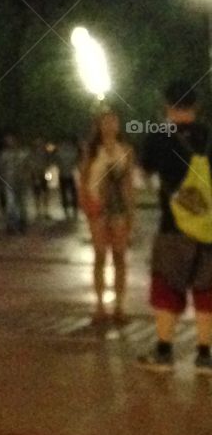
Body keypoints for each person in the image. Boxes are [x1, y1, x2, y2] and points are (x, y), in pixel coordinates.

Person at [138, 82, 212, 374]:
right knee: (207, 289)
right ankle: (205, 355)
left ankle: (164, 351)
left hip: (172, 225)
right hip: (208, 227)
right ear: (196, 105)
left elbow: (144, 173)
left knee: (167, 287)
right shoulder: (209, 134)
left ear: (167, 105)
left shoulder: (158, 136)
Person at [78, 110, 135, 323]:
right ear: (99, 126)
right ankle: (100, 305)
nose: (110, 126)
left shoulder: (126, 150)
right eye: (105, 122)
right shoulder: (91, 150)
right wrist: (86, 205)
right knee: (100, 255)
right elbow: (84, 179)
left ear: (118, 125)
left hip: (119, 207)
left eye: (113, 121)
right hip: (98, 208)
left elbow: (129, 182)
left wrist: (131, 211)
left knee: (119, 256)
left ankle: (119, 306)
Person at [0, 134, 30, 234]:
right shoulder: (4, 155)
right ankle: (11, 225)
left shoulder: (23, 154)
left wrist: (27, 177)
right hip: (9, 182)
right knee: (10, 204)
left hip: (21, 182)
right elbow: (1, 168)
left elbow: (28, 168)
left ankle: (22, 223)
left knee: (21, 203)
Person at [55, 137, 80, 219]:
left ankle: (72, 210)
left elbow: (75, 161)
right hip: (65, 174)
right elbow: (57, 162)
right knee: (67, 193)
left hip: (68, 174)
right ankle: (69, 211)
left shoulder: (69, 151)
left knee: (70, 193)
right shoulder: (65, 151)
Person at [30, 140, 51, 222]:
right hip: (35, 175)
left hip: (43, 175)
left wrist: (47, 174)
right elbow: (32, 165)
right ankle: (38, 212)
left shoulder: (45, 155)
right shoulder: (33, 155)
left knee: (45, 193)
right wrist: (35, 176)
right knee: (37, 194)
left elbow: (48, 165)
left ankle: (46, 211)